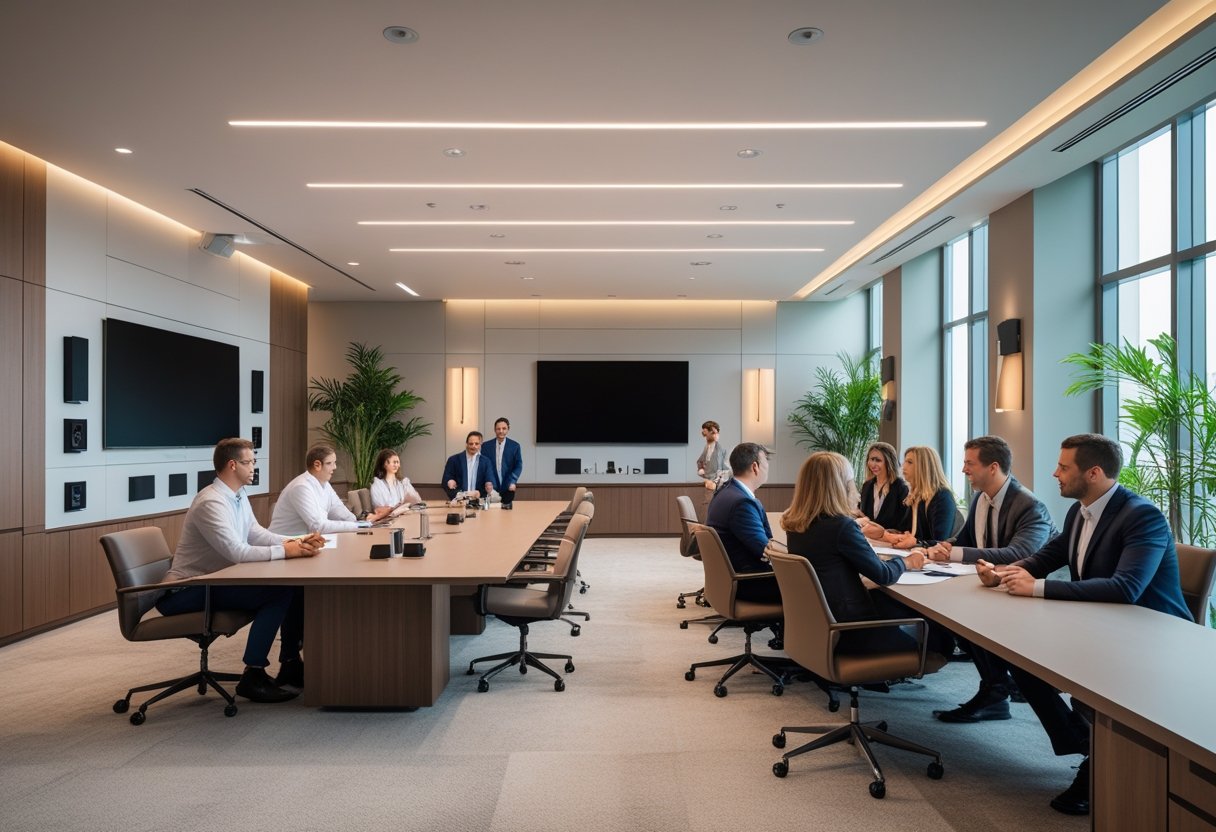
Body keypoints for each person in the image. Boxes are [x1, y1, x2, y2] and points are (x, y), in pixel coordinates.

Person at [977, 433, 1191, 816]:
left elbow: (1127, 588)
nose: (1054, 473)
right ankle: (1090, 745)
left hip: (1150, 638)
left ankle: (1099, 762)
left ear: (1093, 473)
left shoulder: (1142, 515)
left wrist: (1037, 588)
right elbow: (1048, 556)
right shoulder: (1080, 510)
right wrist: (1008, 572)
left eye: (1063, 467)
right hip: (1097, 624)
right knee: (1023, 662)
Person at [158, 438, 322, 702]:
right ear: (232, 465)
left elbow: (255, 533)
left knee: (295, 587)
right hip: (188, 589)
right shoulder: (211, 503)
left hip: (215, 582)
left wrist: (296, 541)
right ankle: (253, 675)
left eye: (253, 462)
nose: (253, 467)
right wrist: (286, 551)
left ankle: (290, 664)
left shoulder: (236, 495)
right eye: (249, 463)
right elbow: (237, 552)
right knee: (279, 593)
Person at [917, 435, 1056, 723]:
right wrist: (945, 546)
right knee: (954, 615)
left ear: (993, 467)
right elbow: (967, 539)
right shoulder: (981, 498)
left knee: (968, 618)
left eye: (970, 463)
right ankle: (995, 691)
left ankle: (996, 691)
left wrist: (954, 553)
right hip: (995, 588)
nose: (964, 470)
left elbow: (1020, 552)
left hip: (1038, 594)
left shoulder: (1030, 505)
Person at [782, 451, 927, 654]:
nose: (856, 492)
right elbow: (884, 575)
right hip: (851, 629)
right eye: (851, 483)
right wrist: (909, 562)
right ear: (839, 487)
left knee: (888, 604)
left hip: (821, 623)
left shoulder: (795, 524)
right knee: (935, 641)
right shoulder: (841, 527)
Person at [706, 443, 780, 603]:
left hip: (729, 578)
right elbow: (766, 552)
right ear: (755, 467)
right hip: (750, 582)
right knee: (815, 585)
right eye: (766, 463)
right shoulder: (742, 503)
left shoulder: (724, 492)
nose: (768, 468)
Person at [270, 445, 388, 535]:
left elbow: (340, 511)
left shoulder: (325, 484)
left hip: (304, 543)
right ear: (317, 465)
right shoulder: (301, 487)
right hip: (284, 545)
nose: (334, 467)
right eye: (330, 463)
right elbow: (318, 526)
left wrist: (362, 522)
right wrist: (359, 526)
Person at [882, 446, 957, 549]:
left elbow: (941, 541)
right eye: (904, 462)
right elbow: (906, 531)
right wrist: (886, 533)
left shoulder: (942, 496)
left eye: (910, 462)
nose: (903, 466)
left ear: (924, 466)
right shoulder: (915, 496)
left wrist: (915, 542)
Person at [856, 441, 909, 539]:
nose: (873, 464)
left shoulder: (900, 487)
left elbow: (904, 523)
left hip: (891, 541)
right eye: (871, 459)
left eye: (878, 460)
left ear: (888, 462)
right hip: (868, 539)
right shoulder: (867, 486)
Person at [442, 430, 494, 500]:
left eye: (476, 443)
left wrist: (481, 492)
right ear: (466, 444)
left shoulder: (486, 462)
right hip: (459, 501)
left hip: (479, 501)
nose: (473, 446)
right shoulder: (453, 460)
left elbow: (490, 480)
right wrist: (449, 481)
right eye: (471, 443)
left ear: (481, 444)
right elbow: (445, 481)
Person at [370, 448, 422, 514]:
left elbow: (416, 500)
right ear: (385, 464)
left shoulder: (401, 483)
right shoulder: (377, 484)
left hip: (399, 514)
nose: (397, 465)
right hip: (386, 517)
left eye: (398, 462)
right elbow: (379, 507)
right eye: (394, 462)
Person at [487, 417, 523, 508]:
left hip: (508, 485)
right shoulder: (485, 446)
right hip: (491, 486)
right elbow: (484, 466)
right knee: (491, 515)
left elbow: (518, 465)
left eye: (504, 428)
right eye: (498, 429)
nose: (501, 431)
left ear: (508, 429)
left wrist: (513, 481)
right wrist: (487, 481)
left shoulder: (515, 446)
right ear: (495, 430)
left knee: (506, 513)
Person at [696, 420, 729, 508]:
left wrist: (715, 482)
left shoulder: (721, 450)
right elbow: (700, 461)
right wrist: (700, 469)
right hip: (708, 484)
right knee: (708, 509)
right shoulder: (707, 447)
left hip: (718, 487)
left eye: (715, 432)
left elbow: (725, 470)